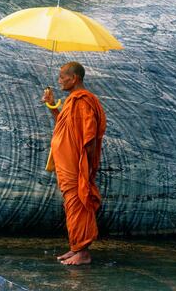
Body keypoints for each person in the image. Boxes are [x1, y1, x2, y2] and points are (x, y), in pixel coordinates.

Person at [42, 61, 106, 266]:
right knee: (72, 204)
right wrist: (50, 104)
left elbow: (89, 137)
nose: (59, 80)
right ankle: (75, 247)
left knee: (79, 202)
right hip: (67, 162)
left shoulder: (84, 101)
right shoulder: (71, 101)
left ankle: (83, 253)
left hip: (77, 164)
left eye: (62, 76)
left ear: (74, 78)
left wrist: (85, 166)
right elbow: (64, 126)